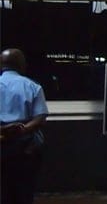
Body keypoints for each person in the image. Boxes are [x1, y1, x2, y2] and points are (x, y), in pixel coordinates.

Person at [0, 49, 49, 204]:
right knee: (24, 191)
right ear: (22, 65)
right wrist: (23, 129)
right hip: (26, 148)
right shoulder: (33, 86)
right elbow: (40, 118)